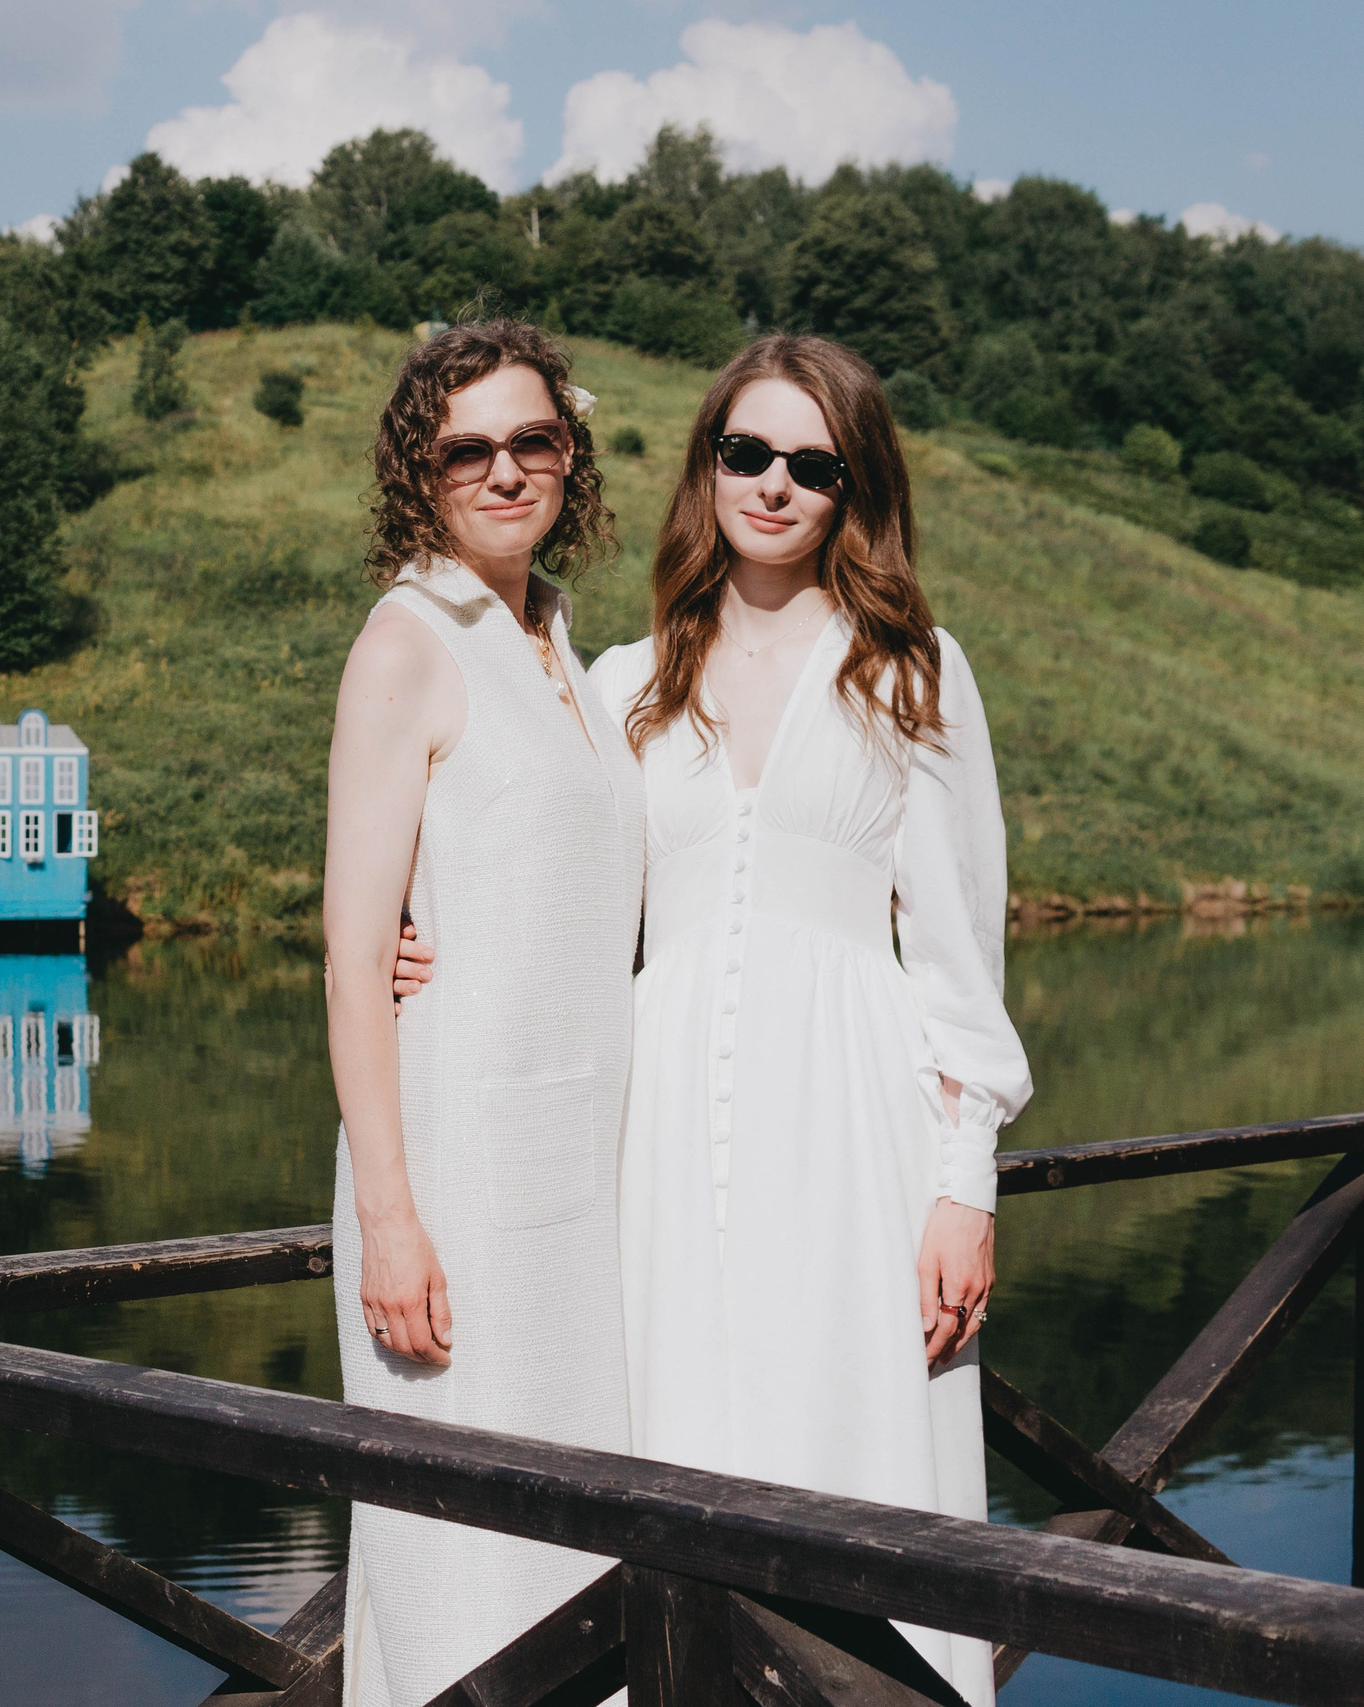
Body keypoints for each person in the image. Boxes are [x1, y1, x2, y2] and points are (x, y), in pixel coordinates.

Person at [395, 333, 1030, 1703]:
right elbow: (530, 862)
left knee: (861, 1462)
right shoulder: (627, 677)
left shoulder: (913, 671)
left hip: (857, 1129)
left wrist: (964, 1183)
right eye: (749, 451)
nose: (777, 485)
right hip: (659, 1141)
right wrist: (419, 933)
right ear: (708, 465)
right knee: (678, 1465)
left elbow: (962, 955)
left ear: (852, 489)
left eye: (816, 463)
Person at [322, 320, 641, 1706]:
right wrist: (392, 1219)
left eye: (535, 440)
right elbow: (348, 961)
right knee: (467, 1553)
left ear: (570, 453)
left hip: (584, 1177)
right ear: (421, 472)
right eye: (469, 449)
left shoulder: (570, 645)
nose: (506, 470)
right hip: (455, 1177)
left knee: (585, 1553)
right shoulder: (407, 642)